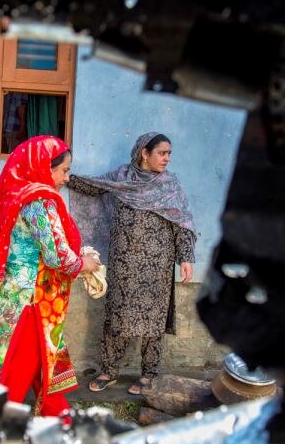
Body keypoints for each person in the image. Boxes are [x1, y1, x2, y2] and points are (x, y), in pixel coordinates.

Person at [0, 135, 100, 416]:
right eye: (64, 171)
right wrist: (85, 264)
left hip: (9, 296)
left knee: (38, 370)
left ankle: (58, 423)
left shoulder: (14, 195)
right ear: (44, 166)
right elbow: (58, 256)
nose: (66, 178)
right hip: (29, 304)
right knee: (14, 379)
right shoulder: (40, 202)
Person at [67, 132, 197, 395]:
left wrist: (186, 258)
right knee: (118, 314)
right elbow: (95, 187)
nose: (167, 158)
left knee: (154, 320)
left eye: (169, 153)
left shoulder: (169, 185)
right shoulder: (122, 177)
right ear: (144, 153)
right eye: (162, 153)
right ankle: (109, 371)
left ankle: (148, 374)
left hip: (158, 264)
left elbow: (181, 223)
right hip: (123, 261)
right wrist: (63, 177)